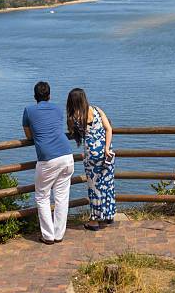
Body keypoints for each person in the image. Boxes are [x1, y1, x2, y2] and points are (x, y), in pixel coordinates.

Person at [23, 81, 74, 245]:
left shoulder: (29, 110)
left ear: (34, 96)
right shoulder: (58, 109)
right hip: (66, 155)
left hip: (48, 159)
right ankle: (59, 234)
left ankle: (48, 236)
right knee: (61, 198)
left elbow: (29, 136)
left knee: (42, 197)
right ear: (49, 95)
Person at [66, 88, 115, 231]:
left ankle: (94, 220)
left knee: (94, 188)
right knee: (107, 184)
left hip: (92, 156)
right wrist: (106, 148)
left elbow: (73, 133)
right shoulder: (97, 110)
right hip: (107, 154)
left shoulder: (75, 117)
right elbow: (108, 128)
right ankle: (108, 215)